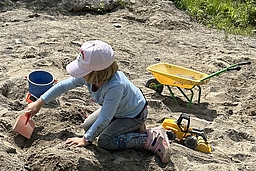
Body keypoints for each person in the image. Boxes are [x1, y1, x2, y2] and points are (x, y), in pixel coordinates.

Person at [25, 40, 171, 163]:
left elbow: (105, 118)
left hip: (133, 114)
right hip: (117, 110)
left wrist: (85, 140)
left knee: (105, 141)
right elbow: (64, 85)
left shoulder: (115, 86)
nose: (80, 74)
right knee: (88, 127)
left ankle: (148, 138)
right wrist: (40, 103)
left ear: (97, 73)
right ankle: (131, 129)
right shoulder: (90, 76)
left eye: (83, 71)